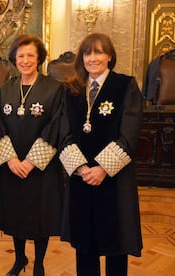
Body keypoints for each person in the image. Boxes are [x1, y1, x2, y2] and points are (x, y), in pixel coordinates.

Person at [58, 33, 143, 276]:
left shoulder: (125, 85)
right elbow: (63, 133)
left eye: (98, 52)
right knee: (84, 242)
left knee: (116, 242)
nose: (93, 58)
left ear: (109, 56)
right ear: (81, 58)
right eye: (88, 53)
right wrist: (83, 169)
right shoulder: (72, 90)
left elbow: (129, 134)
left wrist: (103, 169)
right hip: (81, 178)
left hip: (114, 179)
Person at [0, 34, 64, 276]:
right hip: (13, 165)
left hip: (41, 167)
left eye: (30, 56)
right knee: (15, 214)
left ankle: (39, 263)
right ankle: (19, 259)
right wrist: (12, 160)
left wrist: (32, 161)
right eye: (21, 55)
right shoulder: (6, 89)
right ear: (14, 58)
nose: (25, 60)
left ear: (39, 59)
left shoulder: (54, 89)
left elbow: (55, 125)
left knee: (40, 216)